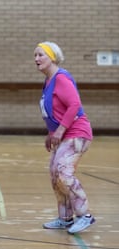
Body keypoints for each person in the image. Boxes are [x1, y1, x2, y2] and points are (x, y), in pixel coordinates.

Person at [34, 41, 95, 234]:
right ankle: (65, 218)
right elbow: (56, 111)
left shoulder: (61, 77)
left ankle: (85, 215)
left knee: (63, 171)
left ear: (52, 57)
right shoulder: (49, 80)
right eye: (35, 56)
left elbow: (74, 104)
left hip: (77, 133)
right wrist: (52, 133)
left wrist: (60, 131)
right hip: (64, 133)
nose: (36, 59)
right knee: (54, 174)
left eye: (40, 55)